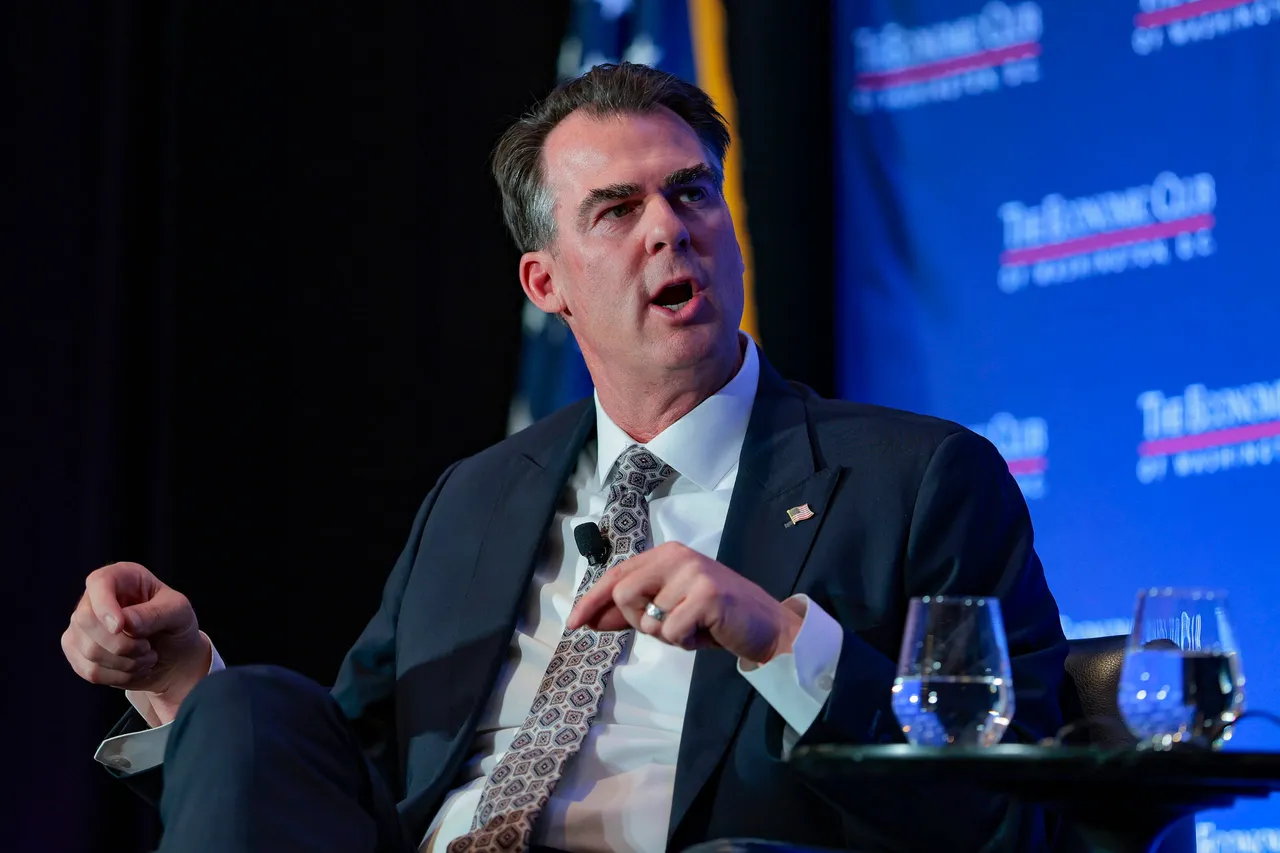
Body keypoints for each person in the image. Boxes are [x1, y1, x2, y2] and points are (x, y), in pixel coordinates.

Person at [62, 62, 1069, 853]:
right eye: (616, 210)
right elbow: (349, 775)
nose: (670, 231)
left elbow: (1007, 811)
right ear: (546, 282)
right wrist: (182, 681)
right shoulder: (476, 498)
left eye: (691, 194)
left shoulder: (917, 480)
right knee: (250, 702)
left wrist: (777, 638)